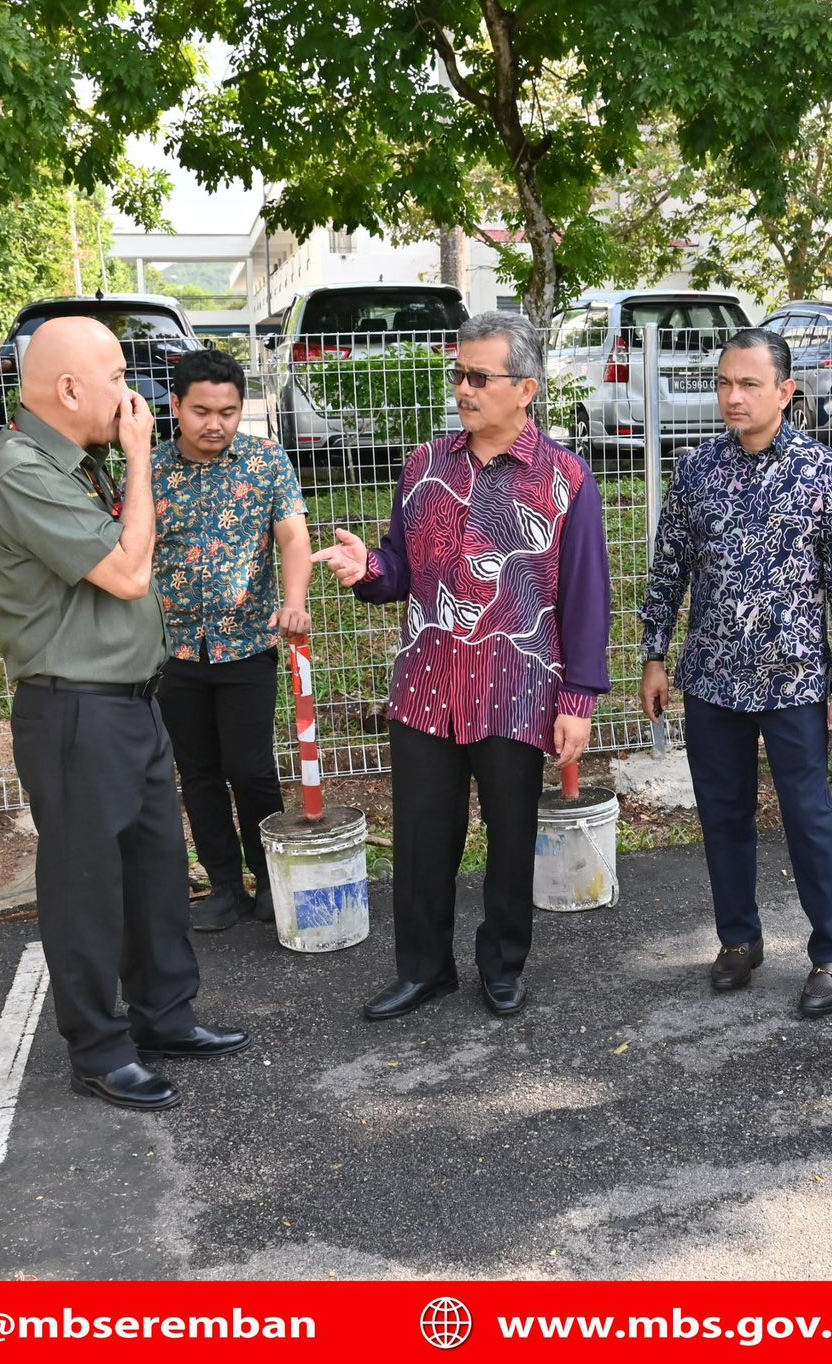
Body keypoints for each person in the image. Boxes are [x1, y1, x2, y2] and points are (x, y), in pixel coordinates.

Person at [0, 317, 248, 1114]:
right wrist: (137, 458)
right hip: (73, 713)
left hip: (129, 702)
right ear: (68, 389)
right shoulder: (20, 469)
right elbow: (127, 572)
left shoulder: (75, 465)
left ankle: (164, 1017)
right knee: (88, 890)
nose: (135, 394)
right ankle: (97, 1049)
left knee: (156, 875)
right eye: (119, 374)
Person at [313, 312, 612, 1021]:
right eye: (459, 374)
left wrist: (580, 699)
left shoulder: (565, 478)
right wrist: (368, 570)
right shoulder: (425, 465)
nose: (464, 389)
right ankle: (424, 970)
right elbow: (400, 570)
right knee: (421, 837)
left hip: (517, 686)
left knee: (510, 838)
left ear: (526, 389)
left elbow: (585, 596)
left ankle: (502, 966)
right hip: (426, 685)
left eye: (480, 377)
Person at [640, 328, 832, 1016]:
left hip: (794, 679)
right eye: (724, 384)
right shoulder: (696, 470)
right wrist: (654, 654)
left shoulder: (829, 475)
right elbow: (669, 568)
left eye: (748, 384)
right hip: (712, 676)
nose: (732, 397)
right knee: (723, 815)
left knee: (809, 816)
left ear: (785, 391)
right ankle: (738, 941)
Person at [151, 348, 314, 933]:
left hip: (247, 644)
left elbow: (294, 537)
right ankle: (223, 884)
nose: (215, 423)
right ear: (176, 406)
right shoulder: (148, 470)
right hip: (173, 652)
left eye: (228, 411)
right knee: (196, 771)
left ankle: (269, 878)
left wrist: (292, 602)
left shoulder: (266, 461)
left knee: (248, 768)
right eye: (201, 411)